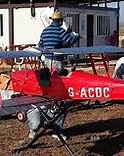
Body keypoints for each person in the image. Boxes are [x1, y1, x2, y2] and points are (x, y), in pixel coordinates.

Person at [27, 11, 79, 140]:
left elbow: (40, 45)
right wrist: (76, 36)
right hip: (57, 62)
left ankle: (34, 128)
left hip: (46, 63)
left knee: (45, 92)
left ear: (52, 20)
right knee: (58, 95)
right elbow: (68, 41)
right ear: (60, 21)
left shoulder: (45, 31)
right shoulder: (60, 31)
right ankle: (57, 127)